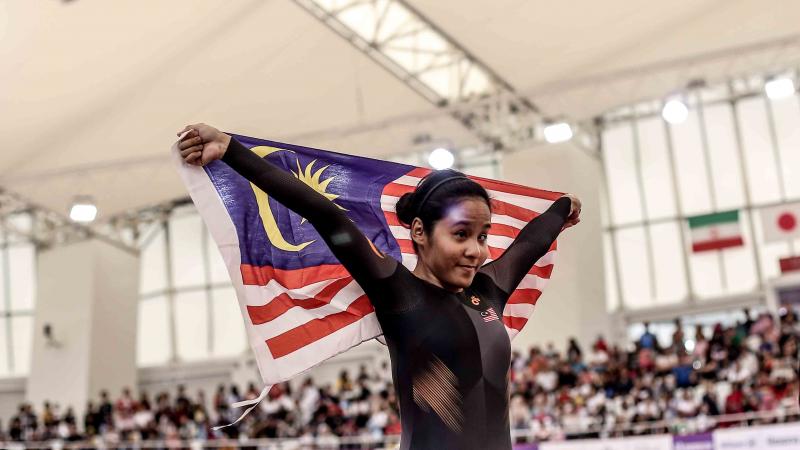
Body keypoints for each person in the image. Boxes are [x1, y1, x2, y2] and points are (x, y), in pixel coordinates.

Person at [176, 123, 581, 450]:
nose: (476, 251)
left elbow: (531, 241)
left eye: (483, 236)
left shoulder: (489, 290)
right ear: (419, 232)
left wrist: (563, 209)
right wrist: (231, 149)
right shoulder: (400, 295)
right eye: (460, 235)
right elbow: (322, 212)